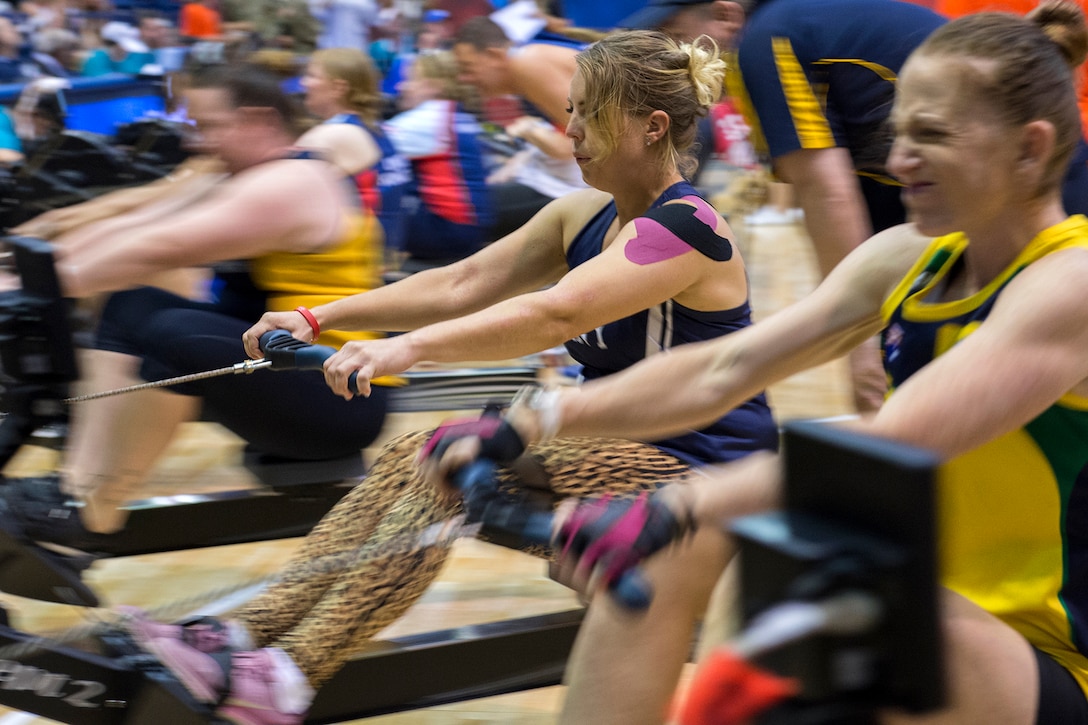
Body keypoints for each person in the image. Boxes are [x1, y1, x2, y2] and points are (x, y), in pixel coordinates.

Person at [426, 3, 1088, 723]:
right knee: (681, 549)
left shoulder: (1069, 283)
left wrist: (673, 503)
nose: (897, 161)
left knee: (814, 591)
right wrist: (532, 420)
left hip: (1051, 662)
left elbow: (894, 440)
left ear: (1030, 148)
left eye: (931, 136)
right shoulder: (910, 256)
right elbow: (726, 366)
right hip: (944, 614)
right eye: (898, 133)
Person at [120, 30, 779, 723]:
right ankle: (244, 632)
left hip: (701, 474)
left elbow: (554, 313)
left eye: (589, 113)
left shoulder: (689, 227)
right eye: (571, 108)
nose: (571, 129)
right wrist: (318, 317)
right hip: (621, 447)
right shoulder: (584, 214)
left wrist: (402, 351)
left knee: (451, 462)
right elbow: (465, 281)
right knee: (419, 451)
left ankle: (284, 676)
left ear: (653, 127)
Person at [0, 63, 393, 615]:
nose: (197, 139)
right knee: (132, 303)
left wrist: (25, 289)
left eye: (209, 124)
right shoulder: (240, 172)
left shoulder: (293, 183)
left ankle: (95, 509)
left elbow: (158, 247)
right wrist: (26, 274)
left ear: (256, 119)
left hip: (340, 399)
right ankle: (76, 494)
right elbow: (135, 225)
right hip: (291, 375)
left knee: (171, 332)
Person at [452, 15, 587, 240]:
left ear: (494, 56)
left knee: (468, 214)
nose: (464, 78)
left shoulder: (527, 65)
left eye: (468, 67)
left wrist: (528, 130)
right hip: (569, 184)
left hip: (579, 189)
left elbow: (584, 141)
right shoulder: (527, 66)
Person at [382, 50, 494, 269]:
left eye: (410, 80)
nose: (401, 87)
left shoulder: (427, 119)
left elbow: (367, 146)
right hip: (469, 229)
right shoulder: (459, 114)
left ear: (434, 86)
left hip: (445, 230)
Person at [296, 47, 412, 256]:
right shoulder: (379, 129)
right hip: (384, 250)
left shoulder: (331, 134)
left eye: (312, 76)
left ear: (338, 88)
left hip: (356, 258)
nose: (304, 83)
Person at [81, 20, 158, 76]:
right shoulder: (96, 59)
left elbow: (135, 71)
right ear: (113, 44)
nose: (127, 50)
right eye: (124, 46)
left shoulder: (126, 57)